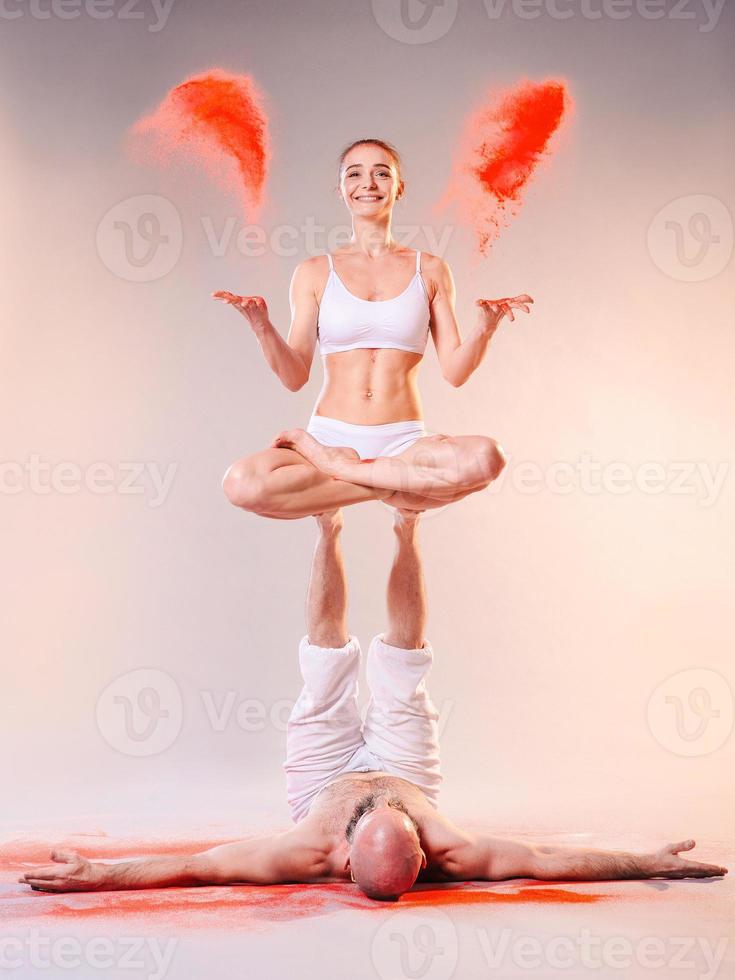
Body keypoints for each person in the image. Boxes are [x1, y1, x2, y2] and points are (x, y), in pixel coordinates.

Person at [18, 509, 728, 900]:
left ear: (349, 848)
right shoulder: (459, 851)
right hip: (407, 767)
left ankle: (325, 525)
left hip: (320, 779)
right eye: (401, 831)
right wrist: (647, 861)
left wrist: (99, 876)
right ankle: (405, 525)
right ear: (421, 852)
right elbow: (548, 860)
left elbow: (196, 866)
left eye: (385, 824)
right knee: (403, 653)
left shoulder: (301, 848)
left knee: (323, 653)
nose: (388, 818)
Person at [212, 138, 534, 520]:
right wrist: (261, 326)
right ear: (342, 191)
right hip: (330, 435)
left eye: (382, 173)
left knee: (487, 458)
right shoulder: (314, 272)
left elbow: (455, 371)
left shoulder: (429, 269)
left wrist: (486, 327)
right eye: (355, 174)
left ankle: (344, 475)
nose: (369, 183)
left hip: (404, 442)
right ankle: (403, 491)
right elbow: (295, 376)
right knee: (242, 483)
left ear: (399, 188)